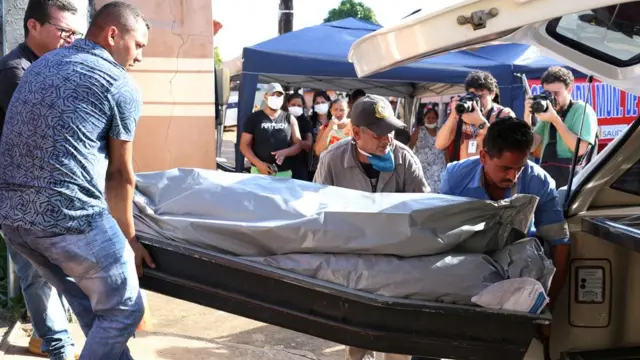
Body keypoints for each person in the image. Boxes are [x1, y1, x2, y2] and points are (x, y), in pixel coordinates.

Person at [0, 2, 153, 359]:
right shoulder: (119, 83)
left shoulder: (40, 66)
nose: (140, 57)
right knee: (124, 310)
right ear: (114, 35)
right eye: (140, 45)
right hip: (69, 218)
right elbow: (119, 175)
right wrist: (129, 241)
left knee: (90, 310)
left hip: (14, 219)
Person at [314, 94, 427, 360]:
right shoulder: (332, 160)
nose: (386, 139)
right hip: (353, 263)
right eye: (377, 134)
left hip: (399, 263)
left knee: (398, 341)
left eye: (389, 131)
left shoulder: (405, 159)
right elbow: (318, 213)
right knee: (356, 339)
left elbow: (424, 212)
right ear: (355, 132)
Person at [0, 0, 83, 358]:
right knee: (36, 272)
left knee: (53, 270)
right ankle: (57, 347)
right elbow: (46, 135)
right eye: (63, 31)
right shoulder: (15, 72)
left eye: (74, 33)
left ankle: (46, 334)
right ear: (33, 26)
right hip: (18, 195)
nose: (70, 39)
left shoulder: (48, 67)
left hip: (45, 191)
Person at [439, 117, 569, 309]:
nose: (513, 176)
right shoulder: (455, 178)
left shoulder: (539, 181)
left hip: (519, 269)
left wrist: (549, 307)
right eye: (506, 168)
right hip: (467, 263)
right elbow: (440, 234)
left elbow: (560, 244)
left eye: (520, 168)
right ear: (484, 157)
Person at [526, 66, 598, 188]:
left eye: (557, 93)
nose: (553, 98)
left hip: (573, 183)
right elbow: (530, 146)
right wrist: (527, 116)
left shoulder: (582, 110)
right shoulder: (549, 112)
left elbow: (580, 149)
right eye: (548, 93)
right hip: (549, 180)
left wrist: (555, 120)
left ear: (569, 89)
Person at [435, 71, 515, 162]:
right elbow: (439, 144)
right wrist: (453, 114)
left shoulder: (504, 114)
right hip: (464, 172)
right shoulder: (463, 113)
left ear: (492, 94)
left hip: (489, 174)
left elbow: (510, 147)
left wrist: (480, 123)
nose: (477, 101)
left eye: (481, 96)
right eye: (473, 96)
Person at [240, 82, 302, 178]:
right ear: (266, 97)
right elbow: (244, 145)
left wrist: (285, 152)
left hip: (284, 173)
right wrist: (259, 164)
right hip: (258, 172)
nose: (276, 98)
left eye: (279, 96)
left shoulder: (290, 118)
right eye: (273, 95)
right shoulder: (254, 118)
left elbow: (298, 144)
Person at [409, 108, 447, 192]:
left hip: (438, 167)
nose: (431, 120)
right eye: (428, 117)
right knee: (424, 190)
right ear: (424, 118)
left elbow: (445, 149)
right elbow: (410, 147)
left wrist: (448, 164)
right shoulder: (418, 131)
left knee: (438, 190)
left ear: (437, 119)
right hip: (423, 167)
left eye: (433, 118)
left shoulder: (441, 131)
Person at [283, 93, 313, 181]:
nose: (296, 107)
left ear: (303, 106)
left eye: (299, 105)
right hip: (282, 163)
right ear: (287, 104)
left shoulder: (306, 122)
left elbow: (308, 144)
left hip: (299, 163)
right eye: (293, 105)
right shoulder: (281, 119)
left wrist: (295, 141)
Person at [307, 90, 332, 179]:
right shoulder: (309, 121)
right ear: (314, 105)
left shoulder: (333, 121)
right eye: (317, 103)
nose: (320, 104)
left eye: (323, 102)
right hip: (312, 166)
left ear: (329, 103)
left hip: (330, 165)